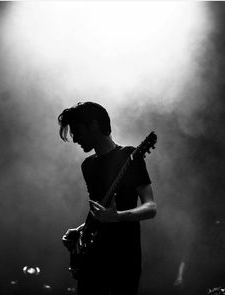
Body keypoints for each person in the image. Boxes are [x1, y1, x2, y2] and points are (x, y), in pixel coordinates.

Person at [58, 101, 157, 295]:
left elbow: (151, 207)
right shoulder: (87, 165)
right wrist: (80, 231)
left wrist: (117, 216)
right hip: (92, 259)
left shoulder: (130, 156)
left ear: (94, 126)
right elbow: (98, 211)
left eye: (77, 131)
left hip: (124, 258)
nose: (75, 139)